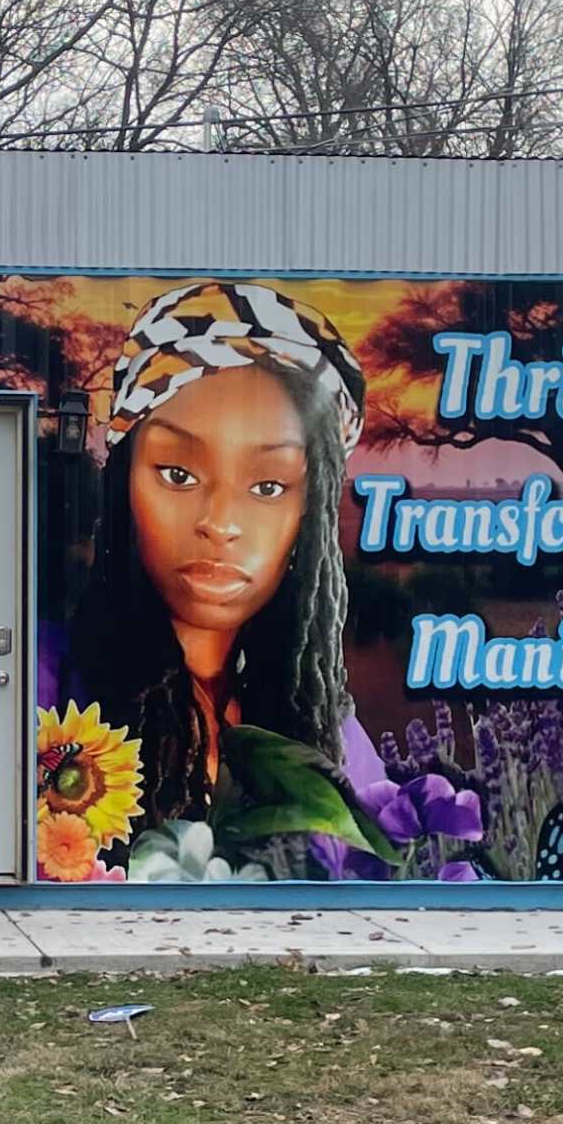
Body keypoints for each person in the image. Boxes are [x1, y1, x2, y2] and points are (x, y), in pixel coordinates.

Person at [59, 280, 360, 826]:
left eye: (268, 486)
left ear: (308, 517)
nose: (220, 524)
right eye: (178, 474)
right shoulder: (51, 684)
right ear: (124, 483)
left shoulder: (320, 721)